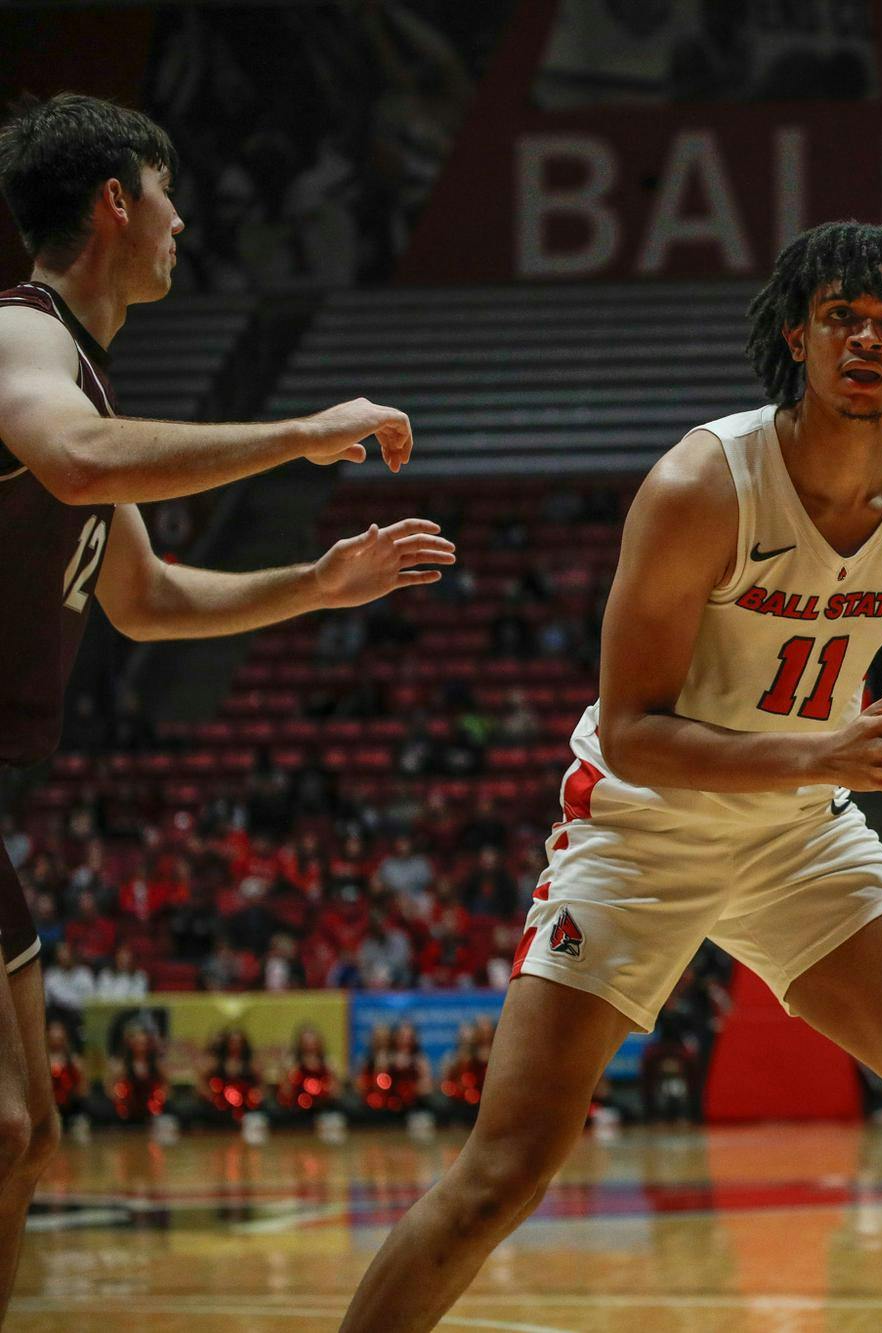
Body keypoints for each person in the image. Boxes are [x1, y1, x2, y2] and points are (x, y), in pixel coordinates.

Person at [340, 221, 882, 1333]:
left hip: (798, 833)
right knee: (508, 1168)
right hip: (643, 827)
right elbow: (631, 731)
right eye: (841, 316)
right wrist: (813, 754)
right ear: (798, 333)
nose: (865, 337)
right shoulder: (702, 482)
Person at [0, 91, 438, 1312]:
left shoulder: (77, 377)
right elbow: (77, 461)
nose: (184, 221)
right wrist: (303, 433)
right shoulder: (19, 337)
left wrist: (315, 582)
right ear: (115, 203)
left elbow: (142, 601)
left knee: (25, 1137)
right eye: (170, 194)